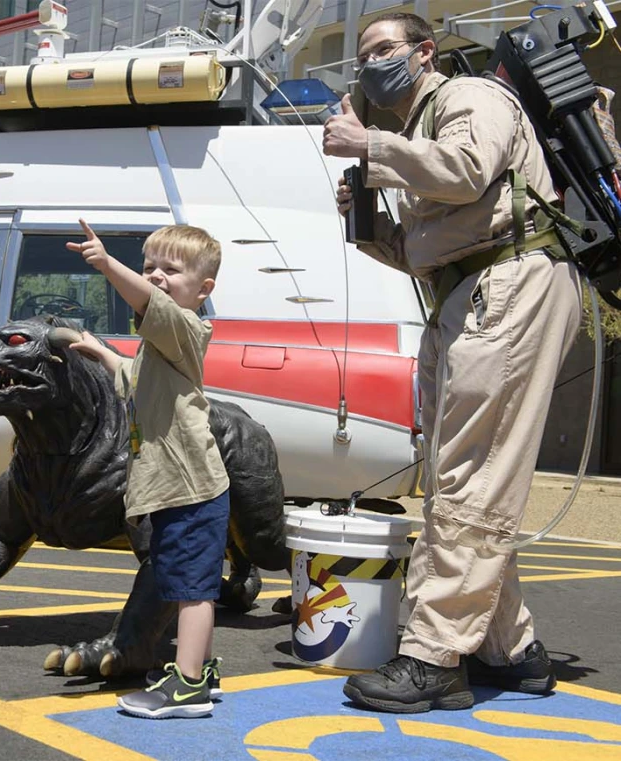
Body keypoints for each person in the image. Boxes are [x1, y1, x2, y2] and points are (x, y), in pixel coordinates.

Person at [323, 12, 581, 713]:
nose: (371, 64)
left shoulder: (470, 99)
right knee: (460, 479)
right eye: (364, 53)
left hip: (512, 280)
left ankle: (435, 656)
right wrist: (371, 222)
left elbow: (468, 173)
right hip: (462, 292)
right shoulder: (410, 134)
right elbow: (422, 248)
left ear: (423, 52)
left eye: (384, 48)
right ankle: (508, 648)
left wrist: (367, 144)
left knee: (472, 474)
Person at [69, 222, 229, 719]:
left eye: (171, 269)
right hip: (174, 487)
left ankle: (187, 688)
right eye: (149, 267)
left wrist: (105, 263)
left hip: (190, 487)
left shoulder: (184, 327)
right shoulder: (158, 346)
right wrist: (103, 353)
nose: (156, 276)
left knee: (191, 588)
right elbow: (134, 384)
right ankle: (198, 669)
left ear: (203, 290)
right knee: (183, 580)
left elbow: (148, 303)